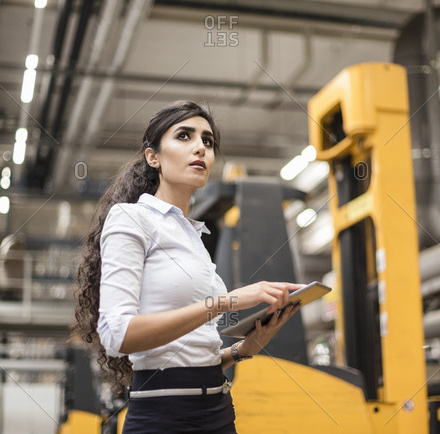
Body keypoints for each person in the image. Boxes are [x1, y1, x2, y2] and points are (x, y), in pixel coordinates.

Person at [74, 100, 302, 433]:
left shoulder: (193, 234)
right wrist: (225, 302)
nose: (200, 148)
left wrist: (240, 350)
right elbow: (117, 334)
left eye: (207, 141)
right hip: (163, 416)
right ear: (154, 157)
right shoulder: (132, 219)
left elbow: (190, 351)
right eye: (184, 136)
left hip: (218, 410)